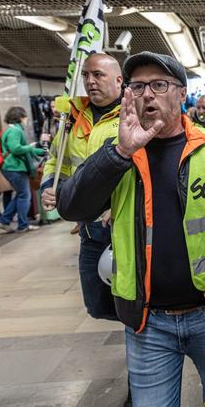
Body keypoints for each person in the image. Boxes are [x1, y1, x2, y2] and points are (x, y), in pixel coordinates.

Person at [57, 51, 205, 406]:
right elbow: (71, 206)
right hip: (147, 324)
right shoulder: (115, 149)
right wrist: (119, 154)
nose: (147, 94)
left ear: (180, 93)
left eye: (159, 85)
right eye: (138, 86)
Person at [41, 53, 123, 321]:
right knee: (98, 304)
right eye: (86, 75)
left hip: (126, 224)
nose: (90, 81)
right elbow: (57, 160)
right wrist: (51, 187)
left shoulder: (133, 116)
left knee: (135, 299)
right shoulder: (72, 119)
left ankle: (141, 343)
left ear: (119, 80)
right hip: (90, 228)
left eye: (98, 75)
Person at [0, 107, 45, 233]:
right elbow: (16, 149)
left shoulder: (11, 130)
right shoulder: (15, 131)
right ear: (21, 117)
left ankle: (4, 220)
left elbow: (19, 149)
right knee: (24, 195)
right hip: (15, 167)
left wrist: (35, 150)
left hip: (12, 167)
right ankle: (23, 225)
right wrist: (30, 147)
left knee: (21, 194)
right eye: (25, 116)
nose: (27, 119)